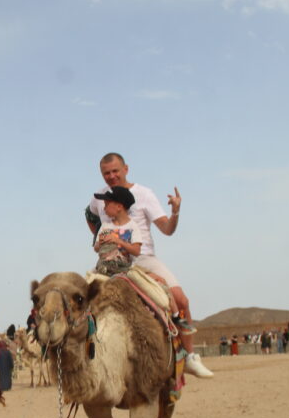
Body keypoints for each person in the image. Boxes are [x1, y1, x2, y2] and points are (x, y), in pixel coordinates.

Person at [86, 152, 212, 378]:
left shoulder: (144, 194)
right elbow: (89, 214)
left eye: (116, 171)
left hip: (143, 257)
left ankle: (190, 356)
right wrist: (99, 237)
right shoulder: (99, 198)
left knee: (180, 300)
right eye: (106, 173)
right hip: (109, 261)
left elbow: (167, 229)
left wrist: (175, 211)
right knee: (79, 301)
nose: (112, 176)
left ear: (126, 169)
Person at [92, 185, 196, 333]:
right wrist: (100, 243)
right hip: (102, 268)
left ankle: (175, 317)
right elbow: (96, 247)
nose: (104, 208)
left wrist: (118, 241)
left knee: (159, 283)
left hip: (125, 269)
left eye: (107, 204)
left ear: (119, 206)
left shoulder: (133, 227)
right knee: (82, 289)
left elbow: (136, 250)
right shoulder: (105, 226)